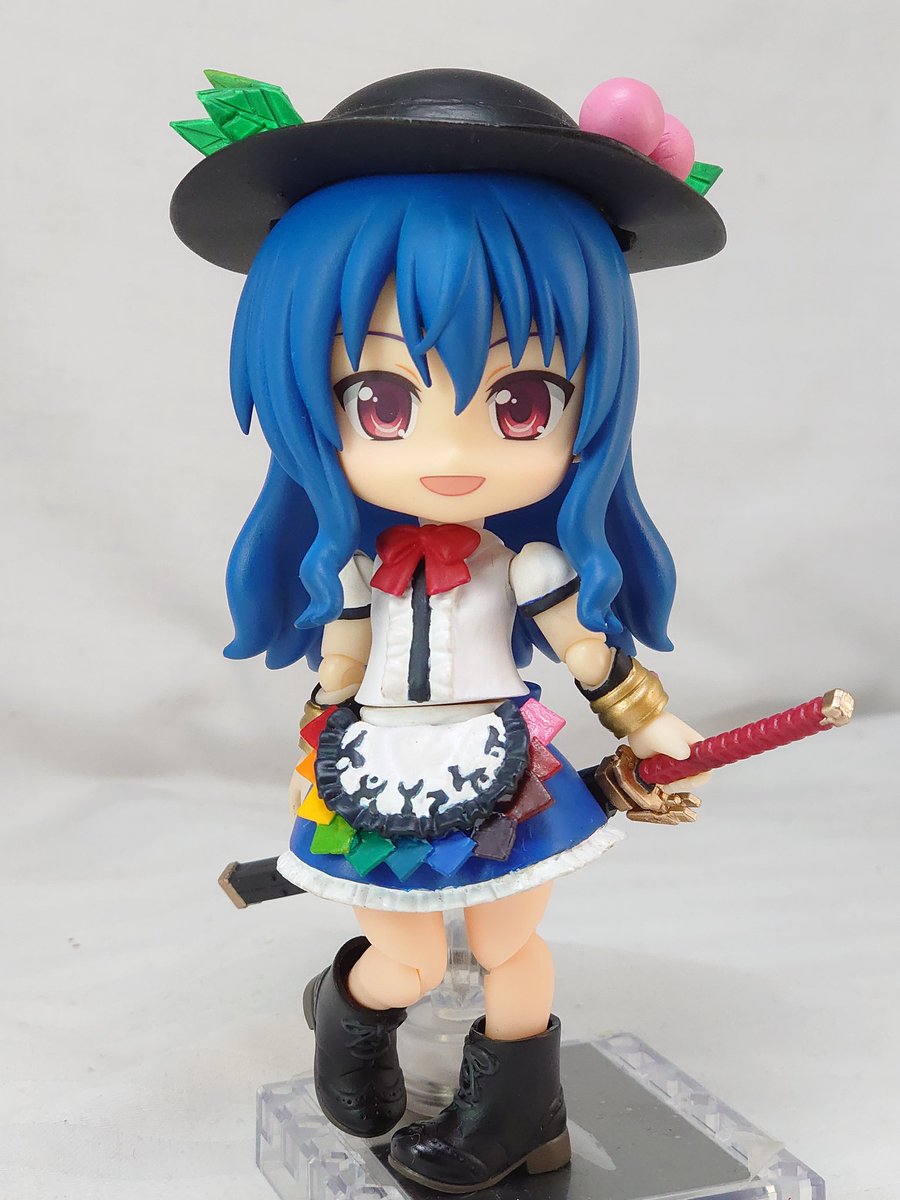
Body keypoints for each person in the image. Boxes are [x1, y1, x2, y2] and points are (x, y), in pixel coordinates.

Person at [171, 67, 724, 1192]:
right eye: (382, 403)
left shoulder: (529, 565)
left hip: (505, 761)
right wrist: (321, 734)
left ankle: (521, 1111)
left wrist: (651, 725)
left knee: (515, 945)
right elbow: (339, 666)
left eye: (521, 403)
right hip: (378, 761)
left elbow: (587, 652)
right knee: (409, 953)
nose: (454, 451)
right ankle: (351, 1014)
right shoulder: (360, 571)